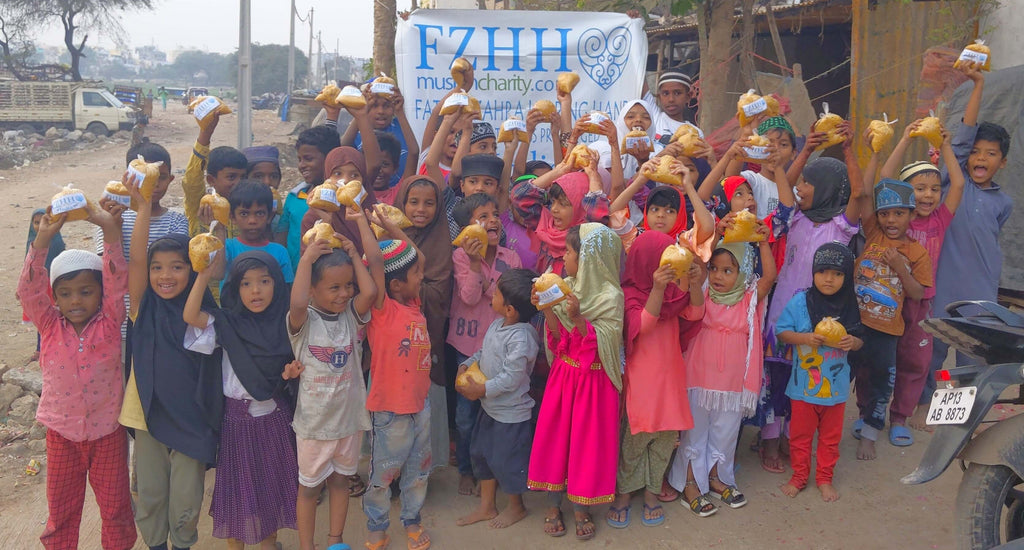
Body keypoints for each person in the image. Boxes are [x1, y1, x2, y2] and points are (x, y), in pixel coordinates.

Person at [20, 205, 136, 550]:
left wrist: (107, 227)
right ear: (53, 297)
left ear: (100, 293)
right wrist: (44, 236)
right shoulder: (49, 325)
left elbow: (118, 278)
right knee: (61, 512)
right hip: (61, 437)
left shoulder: (112, 321)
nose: (76, 301)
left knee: (116, 509)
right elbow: (29, 289)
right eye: (66, 293)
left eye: (86, 291)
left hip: (107, 434)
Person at [120, 178, 224, 550]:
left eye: (177, 267)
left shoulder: (203, 314)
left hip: (193, 418)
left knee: (186, 496)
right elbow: (134, 259)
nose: (165, 276)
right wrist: (144, 207)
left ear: (192, 270)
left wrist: (216, 233)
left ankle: (181, 543)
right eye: (158, 268)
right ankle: (156, 545)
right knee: (149, 492)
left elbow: (212, 267)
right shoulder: (142, 308)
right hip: (146, 415)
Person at [759, 137, 864, 473]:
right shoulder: (795, 220)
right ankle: (770, 440)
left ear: (830, 189)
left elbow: (860, 195)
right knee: (775, 379)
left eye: (808, 182)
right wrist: (803, 153)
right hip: (782, 316)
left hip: (817, 320)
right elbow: (784, 188)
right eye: (802, 180)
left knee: (803, 380)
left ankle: (793, 438)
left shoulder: (841, 227)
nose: (800, 187)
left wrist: (849, 150)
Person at [182, 252, 298, 549]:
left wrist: (292, 373)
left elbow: (293, 371)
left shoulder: (286, 323)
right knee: (237, 492)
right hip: (236, 423)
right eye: (245, 283)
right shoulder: (227, 322)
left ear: (277, 284)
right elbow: (191, 316)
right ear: (235, 287)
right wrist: (204, 276)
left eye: (264, 281)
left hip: (275, 419)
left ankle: (269, 543)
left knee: (271, 486)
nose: (255, 290)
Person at [922, 62, 1013, 428]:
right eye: (976, 152)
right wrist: (977, 84)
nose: (980, 158)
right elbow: (963, 135)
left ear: (1002, 163)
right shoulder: (950, 183)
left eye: (991, 154)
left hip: (980, 294)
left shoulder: (1003, 201)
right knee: (931, 352)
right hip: (943, 285)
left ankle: (956, 418)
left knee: (970, 357)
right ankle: (924, 406)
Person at [286, 204, 379, 550]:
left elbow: (368, 293)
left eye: (347, 286)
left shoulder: (351, 316)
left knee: (341, 483)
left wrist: (355, 253)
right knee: (309, 489)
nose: (344, 294)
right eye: (333, 288)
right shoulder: (303, 321)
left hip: (348, 421)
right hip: (313, 425)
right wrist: (306, 261)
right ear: (313, 290)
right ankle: (306, 546)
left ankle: (336, 541)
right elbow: (296, 302)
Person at [668, 233, 776, 517]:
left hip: (732, 384)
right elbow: (696, 257)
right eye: (715, 268)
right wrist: (719, 233)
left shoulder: (750, 298)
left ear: (743, 272)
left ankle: (718, 479)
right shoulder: (702, 290)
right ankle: (689, 484)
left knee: (725, 434)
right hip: (698, 379)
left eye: (728, 270)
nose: (718, 276)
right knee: (694, 432)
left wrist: (762, 241)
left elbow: (769, 277)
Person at [528, 223, 623, 541]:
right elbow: (557, 340)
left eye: (569, 251)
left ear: (590, 259)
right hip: (565, 377)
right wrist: (547, 309)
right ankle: (552, 504)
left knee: (588, 444)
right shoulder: (563, 286)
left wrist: (581, 319)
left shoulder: (611, 297)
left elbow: (607, 340)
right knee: (557, 439)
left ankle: (582, 506)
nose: (563, 256)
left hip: (595, 384)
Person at [608, 231, 705, 529]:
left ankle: (651, 495)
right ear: (646, 262)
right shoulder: (631, 294)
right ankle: (624, 495)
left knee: (663, 443)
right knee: (634, 444)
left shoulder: (676, 294)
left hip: (671, 382)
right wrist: (659, 289)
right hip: (643, 384)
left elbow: (697, 312)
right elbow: (644, 326)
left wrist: (696, 283)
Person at [875, 120, 965, 442]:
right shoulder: (899, 218)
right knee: (882, 359)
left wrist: (944, 146)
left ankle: (899, 418)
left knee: (916, 361)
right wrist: (903, 138)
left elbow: (957, 185)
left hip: (921, 303)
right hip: (886, 299)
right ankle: (872, 416)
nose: (928, 195)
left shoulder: (940, 220)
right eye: (919, 188)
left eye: (933, 188)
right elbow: (885, 178)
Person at [362, 225, 433, 550]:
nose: (422, 274)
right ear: (395, 284)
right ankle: (377, 526)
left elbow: (417, 255)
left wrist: (390, 226)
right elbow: (376, 262)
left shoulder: (413, 302)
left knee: (418, 471)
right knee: (383, 474)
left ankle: (412, 520)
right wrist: (361, 220)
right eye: (416, 273)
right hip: (390, 410)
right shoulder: (382, 309)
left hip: (420, 406)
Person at [851, 179, 932, 460]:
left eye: (899, 213)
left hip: (887, 330)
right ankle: (854, 417)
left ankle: (870, 435)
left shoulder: (917, 253)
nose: (890, 219)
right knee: (848, 374)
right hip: (855, 323)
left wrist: (900, 267)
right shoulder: (873, 233)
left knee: (881, 381)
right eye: (885, 213)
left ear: (912, 215)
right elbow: (862, 194)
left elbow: (918, 294)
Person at [448, 193, 523, 495]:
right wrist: (476, 264)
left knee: (494, 414)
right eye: (482, 217)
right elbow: (468, 297)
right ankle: (466, 470)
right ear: (467, 230)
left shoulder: (511, 258)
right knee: (466, 416)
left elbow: (507, 300)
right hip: (467, 346)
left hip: (500, 348)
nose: (492, 221)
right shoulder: (460, 258)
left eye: (495, 215)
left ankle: (489, 473)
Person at [455, 268, 541, 530]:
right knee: (481, 455)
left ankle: (516, 507)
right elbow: (484, 351)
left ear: (510, 310)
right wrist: (468, 364)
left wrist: (482, 390)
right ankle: (487, 506)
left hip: (510, 416)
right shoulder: (497, 324)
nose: (492, 294)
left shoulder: (522, 338)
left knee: (507, 463)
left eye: (498, 293)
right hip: (489, 409)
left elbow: (511, 378)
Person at [777, 242, 863, 502]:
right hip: (803, 388)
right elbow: (782, 333)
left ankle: (825, 478)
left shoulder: (850, 304)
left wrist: (852, 342)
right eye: (823, 271)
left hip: (835, 392)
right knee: (800, 437)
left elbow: (861, 338)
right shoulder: (800, 301)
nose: (829, 279)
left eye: (837, 274)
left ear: (846, 277)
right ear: (813, 273)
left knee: (830, 439)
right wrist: (804, 338)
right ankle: (799, 477)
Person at [394, 175, 454, 471]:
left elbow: (438, 293)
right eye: (413, 202)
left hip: (424, 341)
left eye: (429, 203)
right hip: (390, 342)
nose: (420, 209)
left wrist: (407, 288)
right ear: (401, 203)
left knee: (421, 409)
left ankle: (419, 472)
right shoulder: (386, 238)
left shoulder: (442, 242)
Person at [510, 164, 609, 275]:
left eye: (562, 204)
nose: (553, 209)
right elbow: (520, 196)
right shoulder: (546, 227)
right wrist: (560, 170)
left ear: (580, 206)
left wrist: (593, 176)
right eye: (553, 202)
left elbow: (597, 215)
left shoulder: (586, 234)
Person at [98, 141, 188, 260]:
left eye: (161, 178)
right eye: (146, 179)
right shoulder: (113, 216)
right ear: (128, 179)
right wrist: (114, 227)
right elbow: (110, 263)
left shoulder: (177, 221)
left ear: (170, 179)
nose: (154, 185)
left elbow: (176, 263)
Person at [279, 126, 341, 267]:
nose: (302, 165)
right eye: (299, 159)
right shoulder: (294, 197)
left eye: (308, 159)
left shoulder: (341, 199)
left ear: (330, 159)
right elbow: (282, 238)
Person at [301, 147, 380, 257]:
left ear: (363, 180)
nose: (346, 180)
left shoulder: (375, 214)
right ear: (327, 178)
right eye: (337, 174)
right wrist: (326, 224)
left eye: (354, 175)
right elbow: (311, 266)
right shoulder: (312, 218)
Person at [182, 110, 247, 237]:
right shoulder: (201, 204)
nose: (238, 183)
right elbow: (191, 182)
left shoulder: (247, 207)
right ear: (211, 180)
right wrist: (205, 134)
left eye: (243, 177)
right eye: (231, 177)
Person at [218, 181, 294, 289]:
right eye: (244, 214)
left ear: (269, 216)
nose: (252, 220)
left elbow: (286, 292)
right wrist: (220, 229)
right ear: (232, 217)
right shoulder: (227, 247)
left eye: (260, 213)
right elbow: (217, 274)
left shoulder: (279, 252)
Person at [23, 208, 65, 362]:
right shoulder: (32, 243)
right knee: (41, 319)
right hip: (38, 287)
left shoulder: (58, 242)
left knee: (55, 316)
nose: (39, 226)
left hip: (54, 285)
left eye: (43, 221)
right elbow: (27, 266)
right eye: (35, 222)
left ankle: (53, 346)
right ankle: (39, 348)